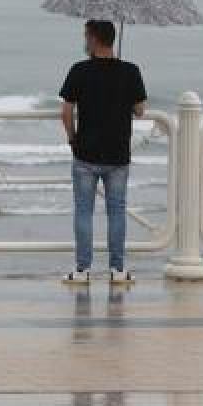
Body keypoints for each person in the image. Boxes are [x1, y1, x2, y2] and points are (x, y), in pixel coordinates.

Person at [58, 20, 147, 284]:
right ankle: (118, 270)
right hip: (118, 154)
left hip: (86, 153)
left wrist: (72, 138)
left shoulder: (79, 70)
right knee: (117, 211)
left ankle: (82, 270)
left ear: (95, 39)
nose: (84, 41)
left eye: (86, 36)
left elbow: (66, 112)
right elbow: (140, 110)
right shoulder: (130, 71)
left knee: (84, 211)